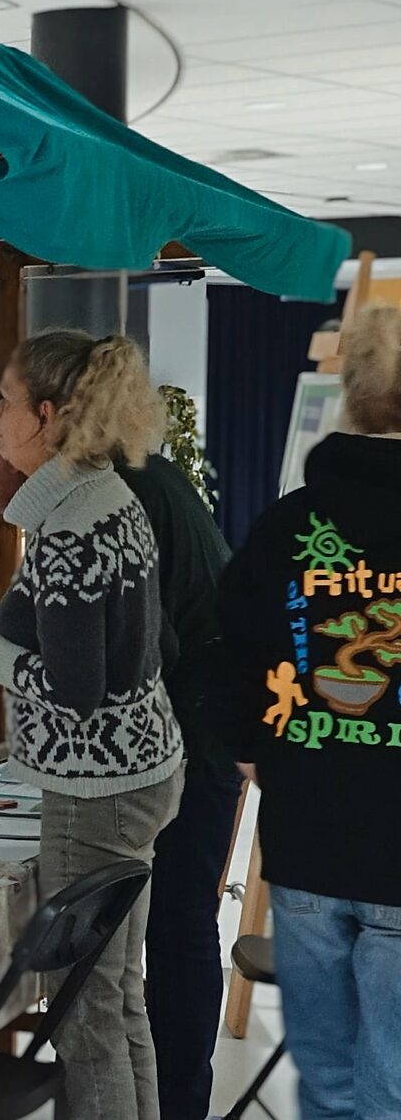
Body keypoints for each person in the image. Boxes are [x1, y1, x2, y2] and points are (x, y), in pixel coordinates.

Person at [0, 382, 241, 1119]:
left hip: (155, 752)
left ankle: (177, 1104)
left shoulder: (97, 506)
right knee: (125, 980)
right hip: (180, 740)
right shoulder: (110, 487)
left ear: (33, 428)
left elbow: (107, 674)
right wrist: (9, 635)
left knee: (111, 985)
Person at [215, 304, 401, 1119]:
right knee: (391, 1088)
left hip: (306, 846)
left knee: (327, 1085)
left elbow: (231, 654)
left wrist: (263, 748)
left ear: (348, 396)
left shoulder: (286, 525)